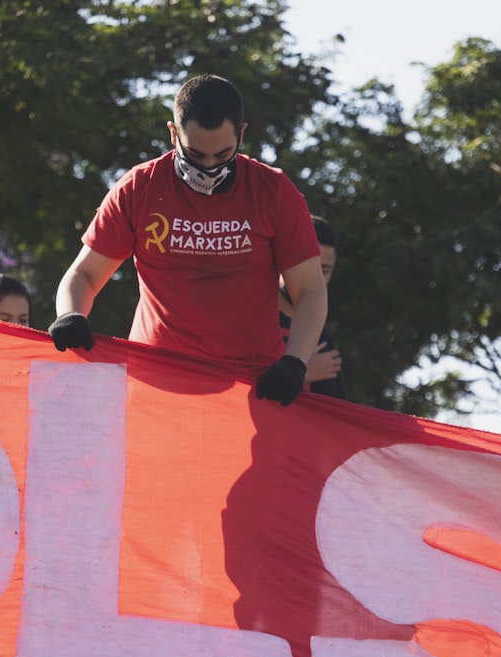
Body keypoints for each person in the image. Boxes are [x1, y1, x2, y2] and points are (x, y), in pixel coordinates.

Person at [49, 73, 327, 407]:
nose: (209, 168)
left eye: (223, 155)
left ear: (241, 135)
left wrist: (295, 362)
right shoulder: (139, 188)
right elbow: (84, 274)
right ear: (173, 134)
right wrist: (70, 315)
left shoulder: (275, 193)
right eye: (195, 155)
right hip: (156, 382)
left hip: (252, 387)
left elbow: (310, 289)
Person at [279, 215, 348, 400]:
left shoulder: (320, 335)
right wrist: (295, 370)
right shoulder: (248, 316)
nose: (315, 277)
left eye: (323, 270)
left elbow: (335, 417)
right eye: (307, 265)